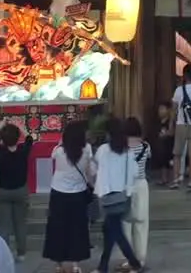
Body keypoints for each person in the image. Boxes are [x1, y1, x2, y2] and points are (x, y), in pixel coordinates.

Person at [94, 117, 145, 273]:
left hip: (107, 196)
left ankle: (134, 263)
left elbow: (96, 165)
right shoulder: (127, 152)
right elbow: (135, 172)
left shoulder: (103, 150)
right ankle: (103, 266)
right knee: (110, 230)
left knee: (116, 232)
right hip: (122, 196)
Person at [43, 120, 94, 272]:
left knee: (57, 228)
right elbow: (90, 171)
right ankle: (75, 264)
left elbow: (53, 156)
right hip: (78, 194)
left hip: (58, 193)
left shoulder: (59, 151)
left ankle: (58, 264)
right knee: (77, 229)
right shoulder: (87, 149)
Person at [0, 121, 33, 261]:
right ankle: (21, 254)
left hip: (2, 191)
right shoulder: (23, 151)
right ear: (18, 137)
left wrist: (0, 127)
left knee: (4, 226)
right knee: (20, 223)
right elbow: (30, 138)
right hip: (20, 190)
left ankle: (5, 253)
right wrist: (19, 125)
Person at [123, 117, 152, 270]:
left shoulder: (120, 147)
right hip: (141, 184)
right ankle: (140, 258)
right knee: (141, 222)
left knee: (125, 223)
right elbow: (148, 160)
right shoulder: (145, 146)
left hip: (125, 185)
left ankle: (127, 258)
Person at [156, 102, 175, 186]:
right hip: (162, 145)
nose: (160, 111)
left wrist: (165, 134)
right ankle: (163, 178)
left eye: (162, 109)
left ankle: (172, 179)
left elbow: (172, 132)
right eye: (159, 109)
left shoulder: (171, 121)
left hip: (170, 144)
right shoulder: (158, 121)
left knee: (170, 162)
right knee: (162, 161)